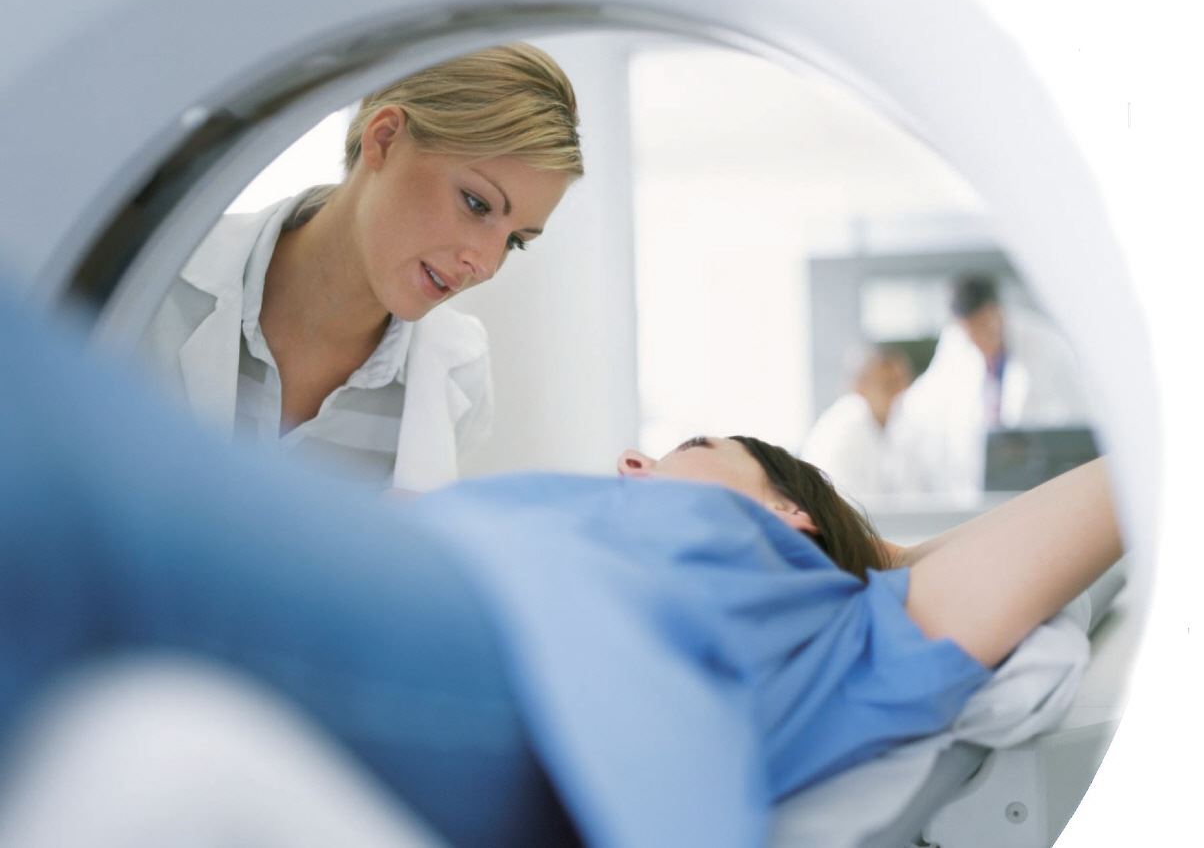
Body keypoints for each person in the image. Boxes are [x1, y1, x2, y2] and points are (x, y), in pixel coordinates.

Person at [0, 285, 1122, 847]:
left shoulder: (839, 615)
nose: (634, 459)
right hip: (416, 570)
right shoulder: (577, 510)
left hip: (514, 664)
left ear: (787, 515)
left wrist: (874, 550)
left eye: (690, 449)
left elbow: (1115, 490)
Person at [140, 43, 583, 492]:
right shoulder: (151, 281)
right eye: (476, 203)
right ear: (384, 139)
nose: (485, 265)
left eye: (514, 241)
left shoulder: (460, 377)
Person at [891, 274, 1093, 495]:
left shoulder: (1047, 343)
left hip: (1037, 478)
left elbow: (1077, 419)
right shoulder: (955, 343)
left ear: (999, 311)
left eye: (986, 326)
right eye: (972, 333)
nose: (981, 340)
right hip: (976, 480)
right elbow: (922, 404)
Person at [801, 345, 914, 500]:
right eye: (889, 385)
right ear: (860, 388)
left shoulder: (889, 427)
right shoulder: (846, 428)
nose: (900, 393)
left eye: (903, 384)